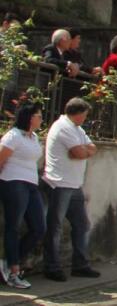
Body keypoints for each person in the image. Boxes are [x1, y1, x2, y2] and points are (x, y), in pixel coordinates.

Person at [42, 97, 100, 282]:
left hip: (74, 184)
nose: (85, 118)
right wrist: (82, 152)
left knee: (81, 225)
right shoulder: (63, 127)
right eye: (84, 115)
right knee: (55, 226)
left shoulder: (77, 129)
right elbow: (80, 153)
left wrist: (83, 151)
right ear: (78, 113)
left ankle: (80, 265)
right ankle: (52, 267)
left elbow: (91, 148)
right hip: (59, 183)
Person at [0, 105, 46, 289]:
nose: (41, 119)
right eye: (39, 116)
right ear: (29, 118)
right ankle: (14, 270)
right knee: (14, 226)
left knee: (39, 227)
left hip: (31, 184)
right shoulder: (13, 136)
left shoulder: (34, 138)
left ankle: (11, 259)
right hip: (13, 181)